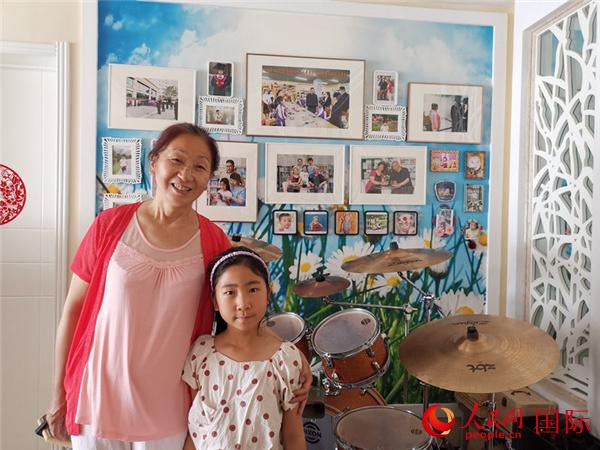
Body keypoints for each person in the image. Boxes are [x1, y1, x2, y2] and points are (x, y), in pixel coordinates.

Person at [46, 123, 310, 449]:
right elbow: (73, 311)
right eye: (177, 160)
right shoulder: (108, 226)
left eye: (200, 167)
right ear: (154, 162)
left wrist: (292, 357)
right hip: (98, 398)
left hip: (169, 408)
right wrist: (58, 394)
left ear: (209, 178)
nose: (186, 174)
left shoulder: (214, 241)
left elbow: (239, 316)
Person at [182, 247, 306, 450]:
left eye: (253, 289)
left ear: (268, 293)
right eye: (230, 292)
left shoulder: (285, 358)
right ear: (215, 301)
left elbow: (294, 436)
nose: (243, 303)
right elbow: (196, 430)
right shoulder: (202, 353)